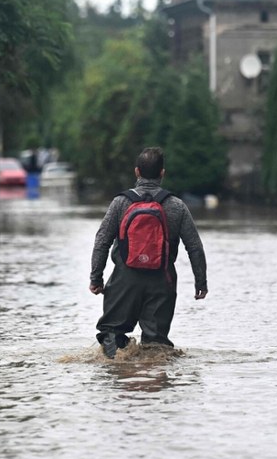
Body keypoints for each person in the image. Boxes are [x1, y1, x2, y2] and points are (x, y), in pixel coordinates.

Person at [89, 147, 208, 358]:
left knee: (111, 335)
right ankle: (154, 386)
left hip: (124, 280)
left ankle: (118, 379)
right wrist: (201, 282)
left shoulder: (120, 203)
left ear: (137, 172)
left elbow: (102, 241)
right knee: (156, 347)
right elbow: (194, 247)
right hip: (162, 281)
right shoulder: (177, 206)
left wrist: (96, 278)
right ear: (162, 173)